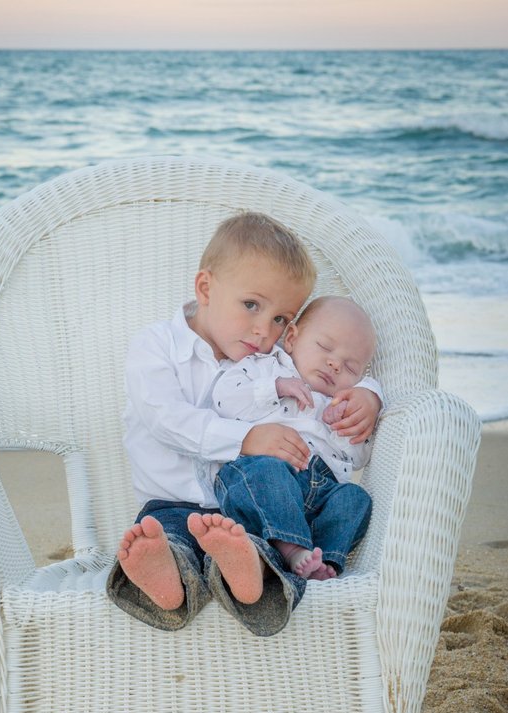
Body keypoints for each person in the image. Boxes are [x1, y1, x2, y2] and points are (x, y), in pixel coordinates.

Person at [105, 213, 382, 636]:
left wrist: (369, 395)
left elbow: (331, 372)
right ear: (206, 288)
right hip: (172, 502)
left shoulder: (271, 361)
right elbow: (166, 419)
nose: (262, 330)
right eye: (252, 305)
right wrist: (247, 439)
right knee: (171, 536)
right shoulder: (155, 346)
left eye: (280, 319)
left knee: (251, 540)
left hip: (246, 515)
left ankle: (250, 570)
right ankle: (167, 577)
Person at [212, 295, 379, 581]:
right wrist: (274, 388)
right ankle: (292, 550)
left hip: (319, 492)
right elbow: (223, 400)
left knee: (355, 498)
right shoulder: (265, 366)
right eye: (325, 347)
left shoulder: (340, 401)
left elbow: (359, 458)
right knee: (268, 474)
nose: (335, 364)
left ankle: (322, 560)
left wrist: (347, 426)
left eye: (350, 368)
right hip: (259, 476)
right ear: (291, 338)